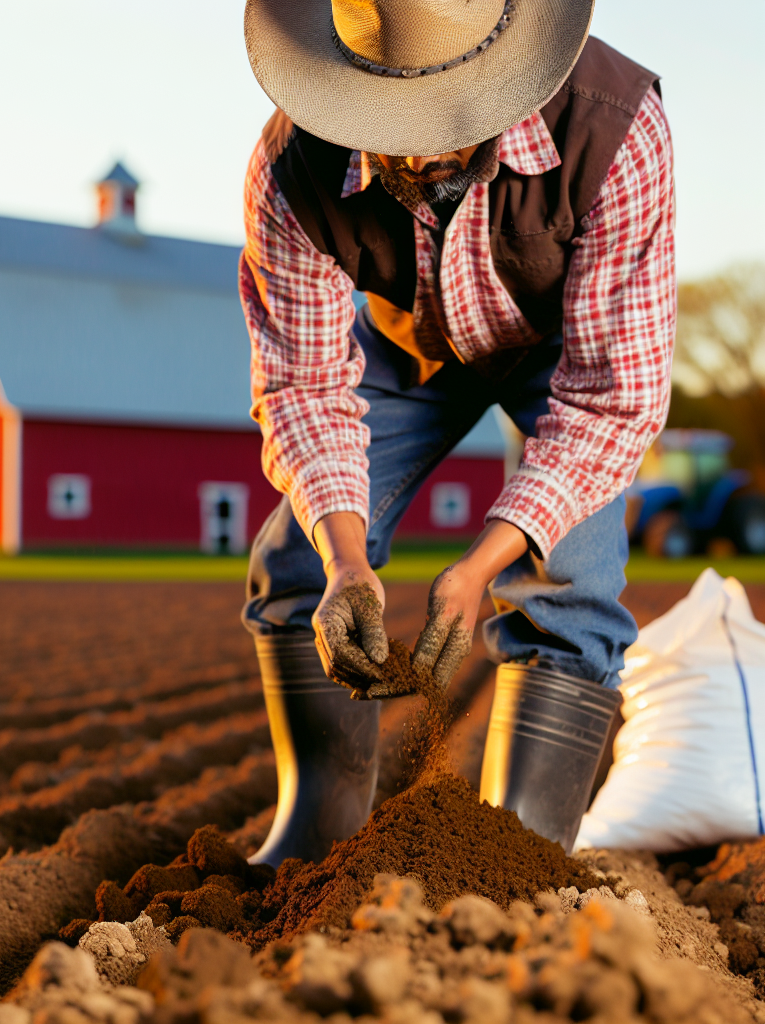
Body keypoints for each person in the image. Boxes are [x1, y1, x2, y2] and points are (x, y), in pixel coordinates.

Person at [238, 0, 676, 864]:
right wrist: (347, 564)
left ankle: (516, 852)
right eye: (389, 117)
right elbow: (303, 387)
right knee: (294, 562)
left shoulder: (617, 128)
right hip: (409, 349)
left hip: (566, 357)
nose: (418, 150)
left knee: (574, 587)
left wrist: (482, 566)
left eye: (444, 114)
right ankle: (317, 834)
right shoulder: (289, 171)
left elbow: (610, 398)